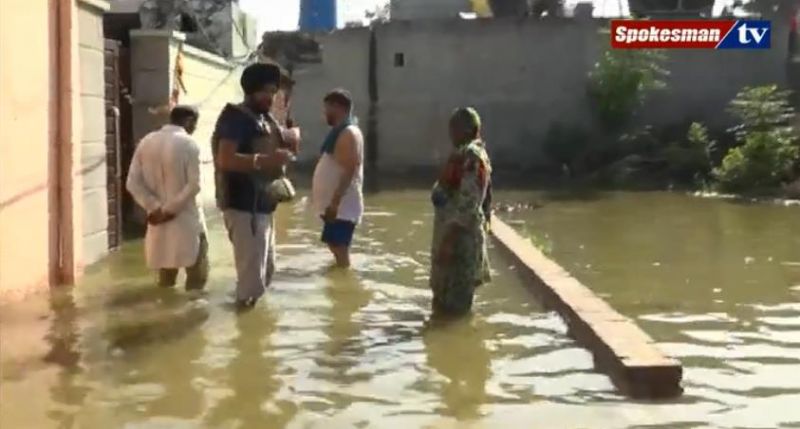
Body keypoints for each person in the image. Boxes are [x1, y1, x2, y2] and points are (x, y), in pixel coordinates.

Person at [212, 63, 299, 309]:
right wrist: (266, 160)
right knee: (251, 283)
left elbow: (286, 142)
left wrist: (291, 139)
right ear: (251, 90)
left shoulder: (265, 118)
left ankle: (253, 330)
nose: (271, 97)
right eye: (267, 91)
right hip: (243, 208)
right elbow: (225, 158)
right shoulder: (235, 117)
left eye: (274, 92)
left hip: (263, 206)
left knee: (265, 274)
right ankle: (246, 336)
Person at [126, 105, 208, 290]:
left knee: (165, 282)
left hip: (158, 222)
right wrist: (169, 210)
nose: (194, 128)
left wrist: (155, 208)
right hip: (187, 221)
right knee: (197, 281)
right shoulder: (189, 144)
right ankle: (191, 317)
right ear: (189, 121)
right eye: (195, 124)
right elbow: (195, 185)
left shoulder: (146, 142)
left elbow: (132, 183)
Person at [429, 107, 493, 317]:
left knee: (455, 311)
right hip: (453, 241)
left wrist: (448, 241)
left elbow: (468, 205)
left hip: (459, 245)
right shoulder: (464, 155)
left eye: (454, 129)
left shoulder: (472, 158)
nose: (450, 134)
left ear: (467, 130)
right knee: (442, 304)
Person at [311, 89, 365, 268]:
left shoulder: (348, 132)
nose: (324, 112)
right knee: (335, 246)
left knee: (339, 247)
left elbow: (350, 169)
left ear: (338, 107)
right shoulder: (341, 131)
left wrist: (335, 202)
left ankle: (344, 281)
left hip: (342, 206)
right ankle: (339, 278)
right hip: (338, 206)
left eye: (327, 108)